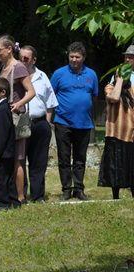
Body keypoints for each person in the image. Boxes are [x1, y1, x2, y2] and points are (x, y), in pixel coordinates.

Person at [51, 41, 99, 200]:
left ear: (83, 57)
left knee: (80, 158)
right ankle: (66, 189)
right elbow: (51, 96)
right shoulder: (59, 74)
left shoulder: (91, 74)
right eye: (71, 56)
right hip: (62, 121)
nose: (74, 60)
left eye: (77, 57)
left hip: (84, 123)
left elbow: (94, 96)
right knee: (64, 157)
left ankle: (78, 189)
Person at [0, 35, 35, 204]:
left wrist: (18, 104)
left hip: (15, 119)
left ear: (9, 49)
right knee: (6, 156)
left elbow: (31, 92)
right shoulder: (3, 67)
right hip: (3, 118)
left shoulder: (18, 67)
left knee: (18, 158)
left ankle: (20, 196)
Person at [19, 45, 58, 202]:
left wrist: (47, 123)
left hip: (39, 123)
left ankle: (37, 195)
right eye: (20, 57)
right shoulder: (15, 76)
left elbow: (50, 102)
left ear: (34, 60)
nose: (23, 60)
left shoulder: (42, 77)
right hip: (20, 123)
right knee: (20, 160)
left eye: (26, 58)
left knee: (39, 161)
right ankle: (20, 194)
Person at [99, 45, 134, 199]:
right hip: (117, 130)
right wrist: (119, 78)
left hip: (132, 130)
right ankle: (115, 196)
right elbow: (113, 97)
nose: (127, 59)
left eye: (131, 57)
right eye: (126, 56)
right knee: (116, 164)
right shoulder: (113, 83)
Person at [0, 77, 17, 209]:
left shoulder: (2, 109)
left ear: (3, 93)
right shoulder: (2, 107)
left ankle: (3, 202)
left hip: (3, 151)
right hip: (8, 151)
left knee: (1, 177)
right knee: (8, 177)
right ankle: (13, 200)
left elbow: (1, 133)